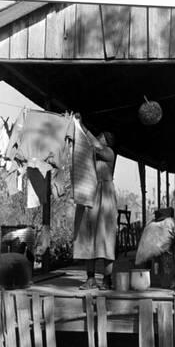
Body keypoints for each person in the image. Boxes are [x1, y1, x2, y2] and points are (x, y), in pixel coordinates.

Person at [73, 119, 118, 290]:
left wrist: (82, 126)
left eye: (102, 136)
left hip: (104, 197)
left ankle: (107, 280)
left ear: (106, 140)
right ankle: (90, 279)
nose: (98, 137)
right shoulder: (91, 153)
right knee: (87, 236)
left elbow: (95, 145)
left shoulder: (108, 153)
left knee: (104, 237)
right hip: (89, 194)